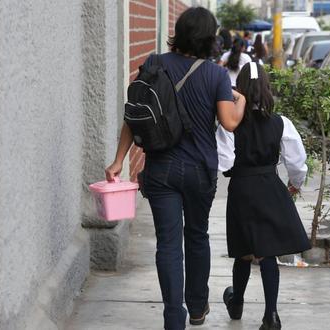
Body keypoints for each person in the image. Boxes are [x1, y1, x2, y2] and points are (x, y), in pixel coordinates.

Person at [105, 7, 246, 330]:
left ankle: (173, 317)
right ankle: (197, 307)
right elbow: (229, 123)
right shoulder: (216, 75)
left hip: (160, 170)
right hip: (199, 171)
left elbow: (135, 114)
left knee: (168, 243)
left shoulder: (154, 65)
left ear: (179, 32)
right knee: (197, 236)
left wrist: (118, 161)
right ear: (210, 39)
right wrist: (240, 101)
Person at [216, 62, 311, 330]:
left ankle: (237, 303)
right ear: (267, 88)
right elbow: (296, 162)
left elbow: (223, 162)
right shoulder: (281, 123)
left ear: (241, 89)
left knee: (243, 251)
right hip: (270, 186)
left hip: (242, 188)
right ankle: (271, 315)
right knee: (267, 253)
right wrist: (295, 183)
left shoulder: (229, 125)